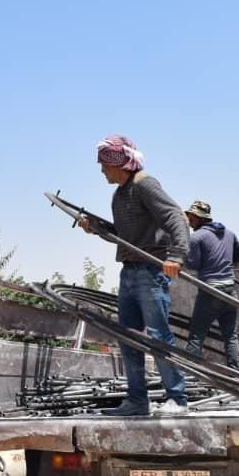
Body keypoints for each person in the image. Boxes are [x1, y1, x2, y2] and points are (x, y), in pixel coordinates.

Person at [84, 135, 190, 416]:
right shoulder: (119, 194)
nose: (102, 171)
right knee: (128, 338)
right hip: (129, 271)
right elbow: (124, 237)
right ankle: (137, 401)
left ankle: (177, 400)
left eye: (104, 165)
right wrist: (95, 228)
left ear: (119, 163)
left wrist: (176, 255)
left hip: (150, 271)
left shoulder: (145, 184)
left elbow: (176, 217)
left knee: (158, 336)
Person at [182, 200, 239, 369]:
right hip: (230, 290)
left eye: (192, 217)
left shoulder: (197, 237)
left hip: (210, 291)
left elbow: (193, 264)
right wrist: (224, 266)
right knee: (231, 336)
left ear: (199, 218)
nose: (189, 221)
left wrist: (182, 257)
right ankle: (236, 375)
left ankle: (190, 378)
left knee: (196, 336)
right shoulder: (229, 233)